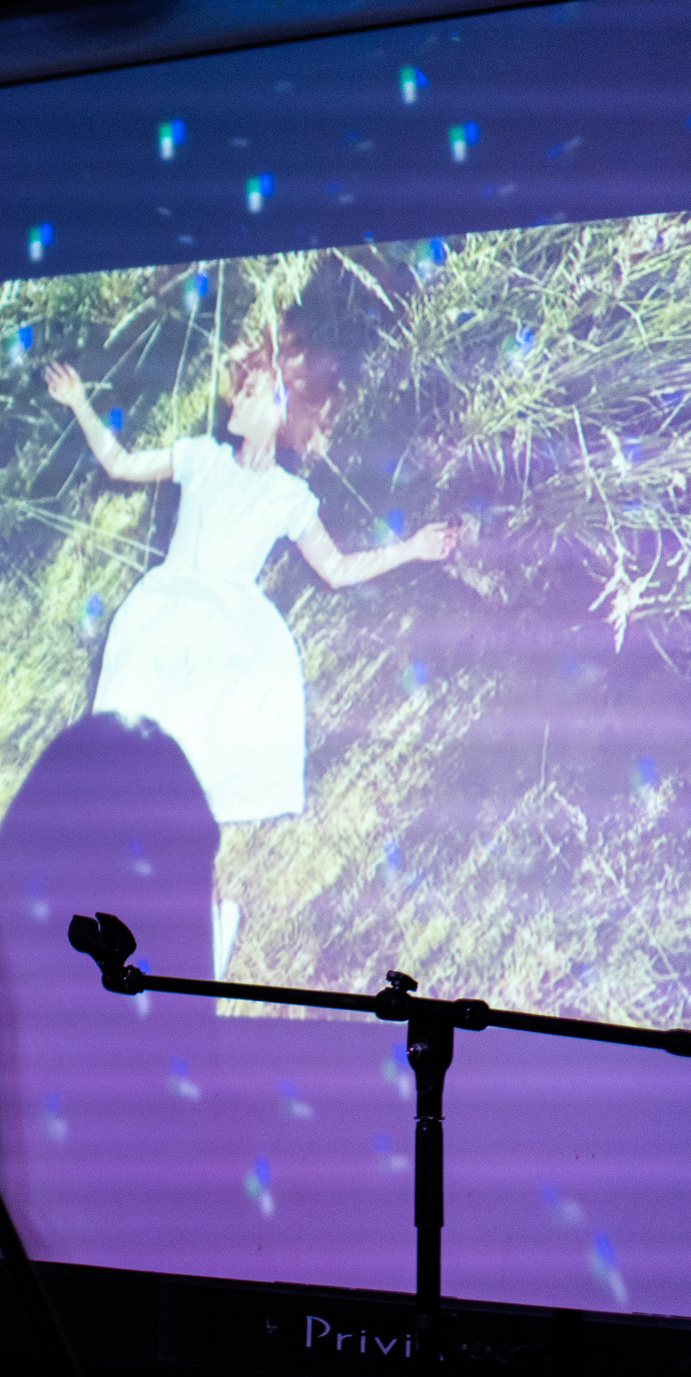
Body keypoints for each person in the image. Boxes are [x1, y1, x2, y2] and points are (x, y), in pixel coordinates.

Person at [42, 351, 456, 969]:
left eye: (251, 392)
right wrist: (78, 402)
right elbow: (120, 462)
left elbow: (338, 570)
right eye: (237, 392)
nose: (234, 401)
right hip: (159, 626)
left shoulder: (290, 496)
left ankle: (204, 933)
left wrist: (413, 550)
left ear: (280, 410)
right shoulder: (201, 458)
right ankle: (125, 925)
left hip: (223, 646)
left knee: (191, 796)